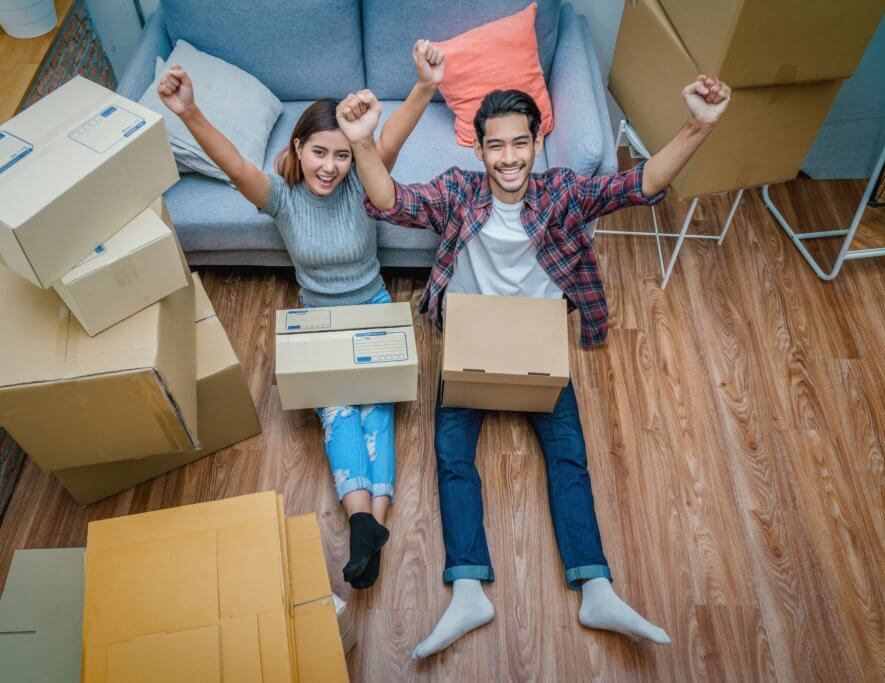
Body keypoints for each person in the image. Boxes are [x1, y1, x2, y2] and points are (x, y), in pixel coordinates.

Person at [336, 75, 731, 654]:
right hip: (472, 346)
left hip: (537, 349)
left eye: (520, 143)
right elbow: (391, 202)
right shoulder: (458, 193)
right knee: (451, 459)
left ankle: (595, 587)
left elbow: (637, 184)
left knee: (570, 458)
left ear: (537, 142)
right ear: (478, 150)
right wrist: (363, 143)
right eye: (495, 145)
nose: (509, 157)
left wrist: (699, 125)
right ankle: (468, 588)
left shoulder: (563, 194)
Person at [156, 40, 447, 590]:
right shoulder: (281, 199)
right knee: (337, 414)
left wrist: (426, 86)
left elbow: (395, 134)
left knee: (377, 413)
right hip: (318, 320)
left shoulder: (363, 178)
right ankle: (368, 527)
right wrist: (189, 111)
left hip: (372, 308)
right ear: (299, 148)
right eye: (320, 152)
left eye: (341, 155)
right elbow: (233, 162)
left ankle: (367, 530)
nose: (331, 167)